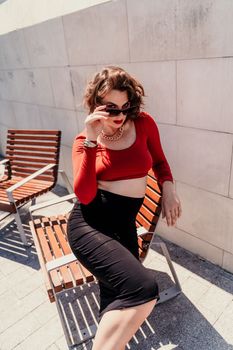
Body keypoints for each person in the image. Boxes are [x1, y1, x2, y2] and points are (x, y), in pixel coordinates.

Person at [67, 66, 182, 350]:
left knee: (118, 293)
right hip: (90, 226)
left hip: (123, 227)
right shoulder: (83, 142)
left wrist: (168, 188)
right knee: (143, 289)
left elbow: (160, 161)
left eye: (124, 107)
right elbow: (84, 194)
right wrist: (92, 139)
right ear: (95, 106)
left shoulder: (142, 123)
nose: (119, 116)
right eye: (110, 109)